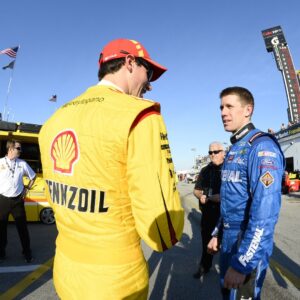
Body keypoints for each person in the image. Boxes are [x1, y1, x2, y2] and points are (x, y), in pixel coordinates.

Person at [39, 38, 184, 300]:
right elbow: (163, 230)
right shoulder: (139, 114)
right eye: (148, 72)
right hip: (115, 279)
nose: (149, 84)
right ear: (129, 63)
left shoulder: (54, 119)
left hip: (64, 267)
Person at [208, 87, 284, 300]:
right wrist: (218, 233)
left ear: (247, 110)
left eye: (229, 106)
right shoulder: (235, 147)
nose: (223, 112)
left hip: (246, 240)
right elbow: (233, 198)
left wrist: (243, 263)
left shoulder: (261, 147)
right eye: (221, 107)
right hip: (230, 237)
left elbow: (265, 215)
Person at [0, 140, 36, 263]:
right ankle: (1, 252)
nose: (21, 151)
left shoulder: (22, 163)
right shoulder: (0, 162)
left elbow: (33, 176)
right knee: (1, 229)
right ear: (10, 149)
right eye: (18, 148)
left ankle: (27, 253)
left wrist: (26, 189)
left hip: (17, 201)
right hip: (3, 200)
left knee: (23, 229)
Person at [193, 141, 224, 278]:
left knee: (227, 246)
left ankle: (226, 271)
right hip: (208, 214)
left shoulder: (230, 168)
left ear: (223, 152)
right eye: (210, 152)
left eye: (215, 152)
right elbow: (196, 190)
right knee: (206, 244)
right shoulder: (205, 171)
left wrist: (223, 197)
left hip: (225, 216)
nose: (212, 155)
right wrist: (201, 196)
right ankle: (205, 266)